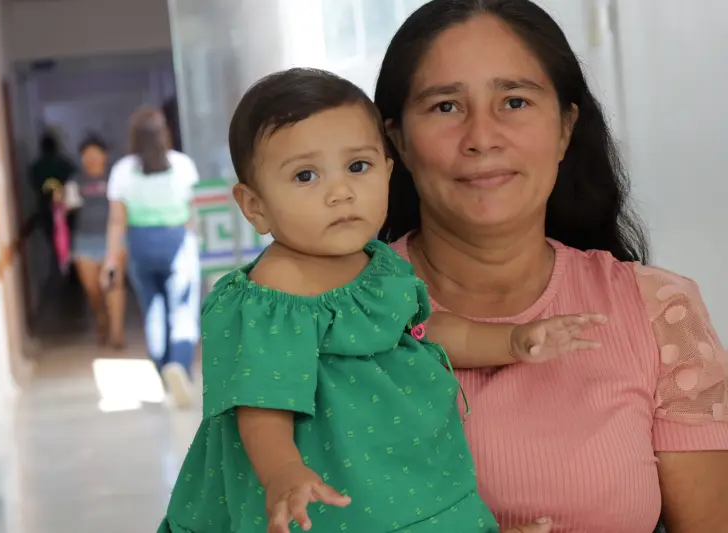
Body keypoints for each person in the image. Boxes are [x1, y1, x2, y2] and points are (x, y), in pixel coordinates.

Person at [157, 68, 606, 533]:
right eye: (306, 175)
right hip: (320, 475)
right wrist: (283, 471)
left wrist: (512, 340)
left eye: (358, 167)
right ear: (255, 206)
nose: (341, 192)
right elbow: (261, 403)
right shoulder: (273, 293)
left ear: (388, 172)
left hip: (394, 461)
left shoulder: (379, 264)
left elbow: (422, 331)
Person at [374, 1, 728, 532]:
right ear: (397, 139)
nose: (481, 137)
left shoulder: (660, 313)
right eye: (445, 107)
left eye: (514, 101)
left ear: (565, 127)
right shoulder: (320, 311)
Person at [102, 107, 201, 408]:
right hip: (177, 240)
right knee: (182, 309)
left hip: (140, 243)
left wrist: (110, 259)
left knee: (154, 310)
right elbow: (193, 213)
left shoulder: (122, 170)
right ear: (164, 134)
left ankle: (164, 374)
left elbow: (117, 220)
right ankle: (179, 365)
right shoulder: (182, 165)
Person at [62, 135, 126, 348]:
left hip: (112, 240)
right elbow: (68, 206)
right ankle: (101, 317)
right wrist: (61, 200)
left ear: (105, 155)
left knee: (113, 285)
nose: (91, 158)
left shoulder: (115, 178)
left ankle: (116, 333)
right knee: (92, 289)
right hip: (84, 240)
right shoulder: (76, 180)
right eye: (86, 155)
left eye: (95, 153)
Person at [29, 130, 77, 264]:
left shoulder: (35, 168)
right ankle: (72, 271)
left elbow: (34, 187)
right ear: (56, 147)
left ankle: (60, 268)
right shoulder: (66, 164)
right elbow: (75, 183)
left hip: (46, 211)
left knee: (55, 245)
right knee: (70, 243)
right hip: (67, 210)